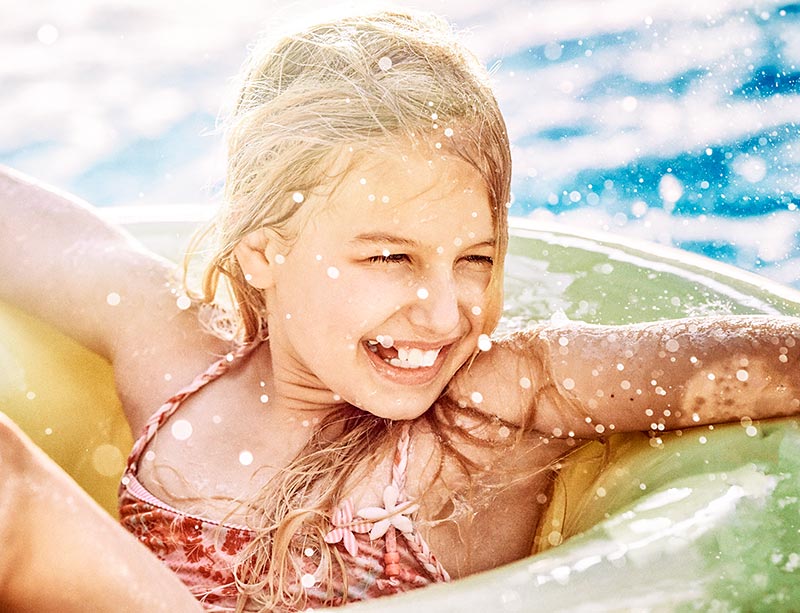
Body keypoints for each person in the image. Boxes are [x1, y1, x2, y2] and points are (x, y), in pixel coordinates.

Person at [1, 8, 799, 613]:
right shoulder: (179, 353)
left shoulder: (491, 400)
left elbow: (738, 365)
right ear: (265, 252)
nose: (446, 310)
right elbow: (41, 235)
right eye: (392, 258)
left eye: (475, 259)